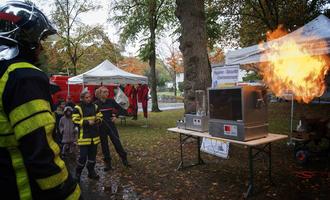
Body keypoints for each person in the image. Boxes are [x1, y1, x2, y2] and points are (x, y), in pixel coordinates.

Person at [0, 1, 80, 199]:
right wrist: (70, 193)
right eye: (40, 39)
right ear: (24, 38)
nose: (42, 49)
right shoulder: (23, 77)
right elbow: (41, 154)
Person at [95, 86, 131, 171]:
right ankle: (108, 164)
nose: (107, 93)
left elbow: (122, 109)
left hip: (111, 126)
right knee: (104, 146)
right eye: (104, 92)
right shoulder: (96, 104)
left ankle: (124, 160)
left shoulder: (111, 101)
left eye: (107, 91)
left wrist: (116, 116)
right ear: (99, 94)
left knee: (117, 143)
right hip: (101, 127)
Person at [72, 90, 103, 181]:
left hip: (94, 136)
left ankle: (91, 172)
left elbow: (100, 116)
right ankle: (78, 173)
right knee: (83, 156)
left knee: (92, 157)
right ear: (82, 98)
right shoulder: (78, 108)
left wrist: (97, 120)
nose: (89, 99)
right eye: (86, 97)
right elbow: (74, 120)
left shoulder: (95, 106)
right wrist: (87, 122)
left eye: (90, 97)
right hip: (84, 136)